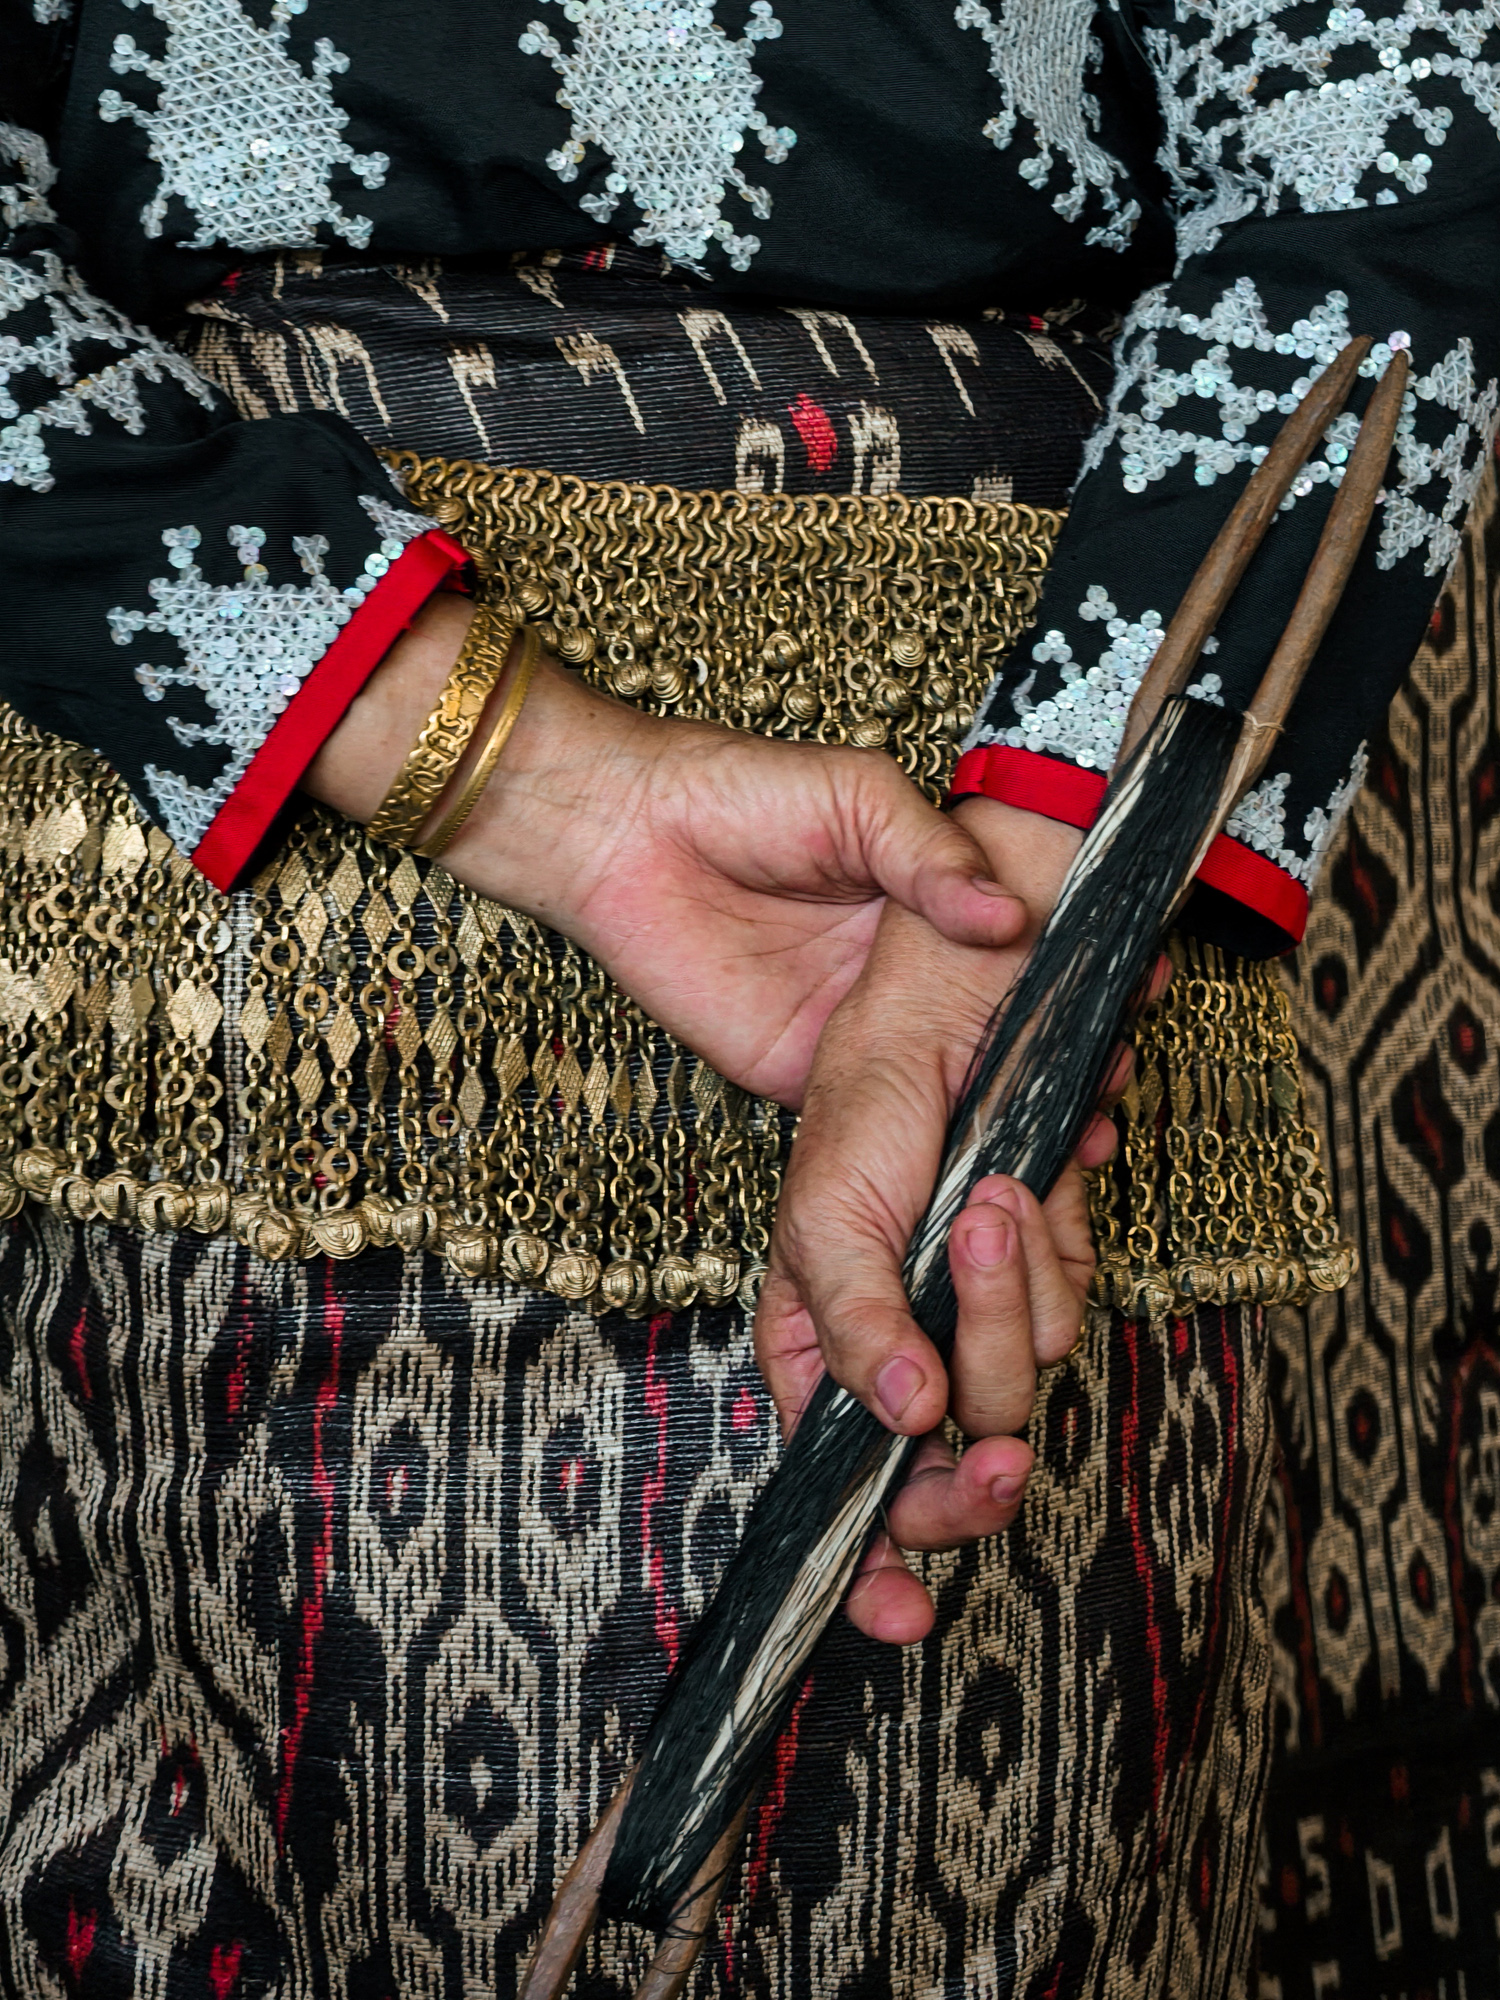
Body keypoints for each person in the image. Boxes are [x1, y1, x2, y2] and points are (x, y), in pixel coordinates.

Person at [0, 2, 1495, 1994]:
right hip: (159, 990)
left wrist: (1008, 927)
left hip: (985, 875)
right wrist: (531, 777)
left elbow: (1379, 128)